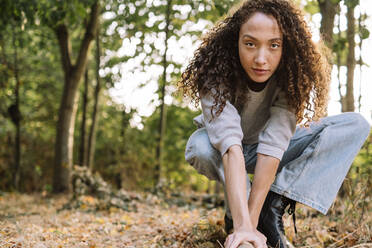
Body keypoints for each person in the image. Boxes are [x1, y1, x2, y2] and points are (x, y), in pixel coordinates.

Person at [178, 0, 371, 247]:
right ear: (235, 41)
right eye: (250, 44)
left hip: (272, 152)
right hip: (226, 150)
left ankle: (273, 204)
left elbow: (272, 147)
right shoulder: (215, 73)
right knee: (201, 147)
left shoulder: (292, 77)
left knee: (355, 124)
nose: (261, 58)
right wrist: (244, 229)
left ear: (285, 47)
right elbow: (230, 148)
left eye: (274, 45)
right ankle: (238, 217)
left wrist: (254, 221)